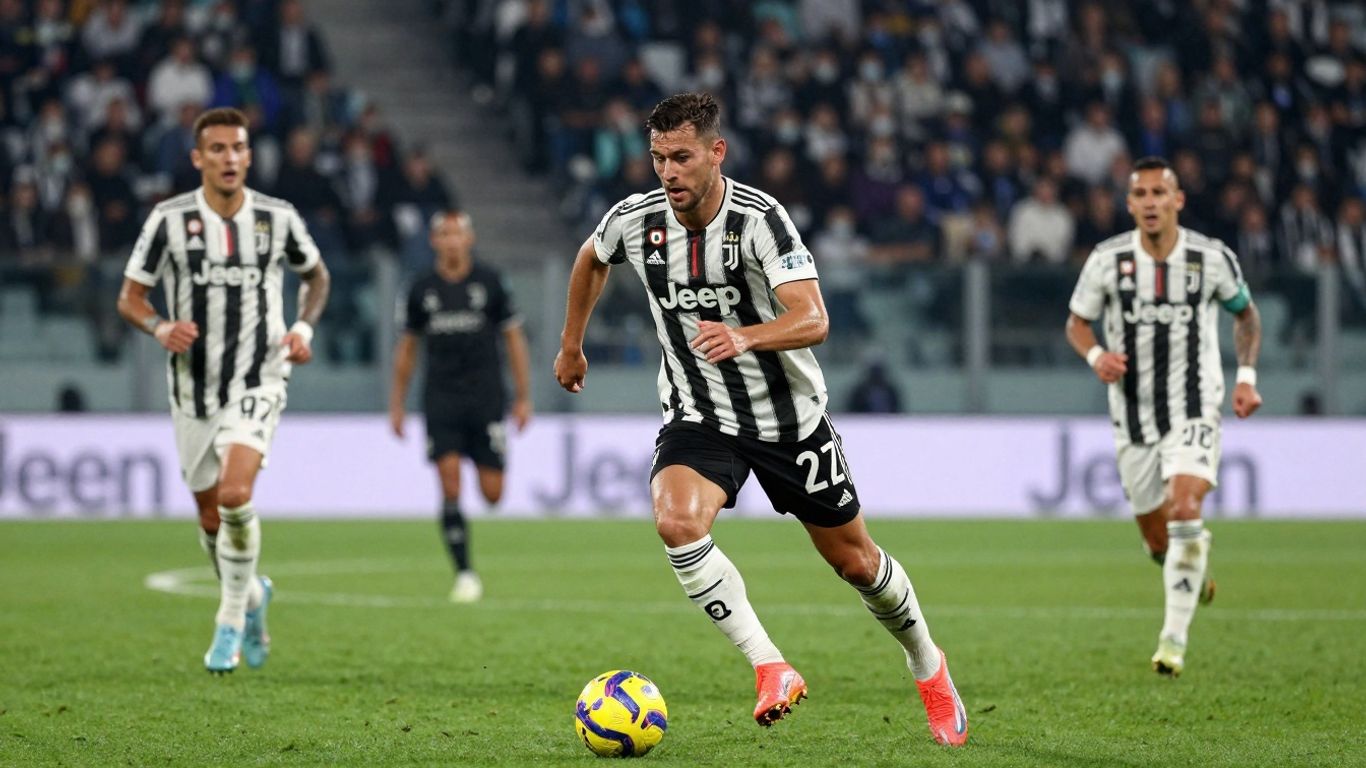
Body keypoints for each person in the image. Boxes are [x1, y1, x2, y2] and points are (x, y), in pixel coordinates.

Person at [553, 93, 967, 745]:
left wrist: (746, 336)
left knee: (856, 564)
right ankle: (771, 666)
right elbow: (590, 258)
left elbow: (815, 319)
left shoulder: (760, 220)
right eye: (659, 158)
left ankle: (929, 666)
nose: (668, 172)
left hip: (789, 421)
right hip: (700, 414)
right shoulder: (636, 221)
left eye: (682, 157)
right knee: (675, 520)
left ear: (716, 153)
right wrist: (572, 342)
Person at [116, 107, 331, 673]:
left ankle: (229, 620)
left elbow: (317, 275)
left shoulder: (277, 218)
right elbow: (130, 298)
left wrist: (302, 329)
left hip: (260, 375)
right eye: (217, 149)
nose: (229, 158)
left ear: (249, 156)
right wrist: (161, 326)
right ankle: (255, 596)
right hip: (193, 389)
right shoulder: (168, 221)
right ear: (198, 158)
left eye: (238, 148)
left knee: (236, 495)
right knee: (211, 518)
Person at [1065, 156, 1263, 677]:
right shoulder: (1108, 260)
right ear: (1129, 204)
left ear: (1178, 200)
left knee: (1184, 507)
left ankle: (1172, 644)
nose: (1151, 202)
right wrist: (1096, 357)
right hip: (1132, 416)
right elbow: (1077, 324)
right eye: (1141, 195)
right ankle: (1191, 569)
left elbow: (1246, 315)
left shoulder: (1211, 257)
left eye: (1160, 193)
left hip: (1195, 404)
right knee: (1158, 540)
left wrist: (1246, 378)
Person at [389, 211, 532, 603]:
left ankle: (483, 463)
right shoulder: (420, 288)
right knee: (449, 482)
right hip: (442, 398)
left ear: (469, 239)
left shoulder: (490, 282)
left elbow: (514, 340)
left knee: (492, 494)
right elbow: (407, 348)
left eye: (458, 234)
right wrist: (397, 404)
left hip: (487, 397)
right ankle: (465, 573)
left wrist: (523, 396)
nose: (452, 241)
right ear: (434, 241)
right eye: (444, 234)